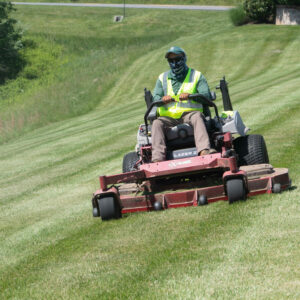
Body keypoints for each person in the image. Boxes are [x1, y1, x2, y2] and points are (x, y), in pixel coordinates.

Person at [151, 46, 216, 162]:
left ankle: (204, 151)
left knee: (197, 117)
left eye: (177, 59)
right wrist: (162, 99)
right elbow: (155, 98)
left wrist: (191, 95)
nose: (174, 63)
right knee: (156, 123)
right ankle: (157, 159)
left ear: (184, 59)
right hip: (168, 118)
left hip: (190, 115)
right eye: (171, 61)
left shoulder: (196, 76)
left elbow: (206, 96)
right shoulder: (162, 78)